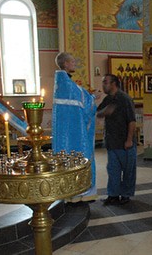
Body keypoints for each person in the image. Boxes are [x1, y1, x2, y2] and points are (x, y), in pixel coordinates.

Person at [52, 52, 98, 202]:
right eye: (72, 61)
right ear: (65, 64)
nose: (74, 64)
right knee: (78, 156)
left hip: (64, 130)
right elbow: (86, 102)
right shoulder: (68, 85)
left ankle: (68, 194)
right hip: (75, 132)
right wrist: (93, 97)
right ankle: (79, 192)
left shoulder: (61, 83)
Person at [97, 74, 137, 205]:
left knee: (128, 170)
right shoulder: (108, 99)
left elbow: (132, 121)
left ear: (113, 84)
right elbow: (98, 112)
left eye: (105, 82)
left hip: (124, 141)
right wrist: (105, 112)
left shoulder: (124, 99)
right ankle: (113, 194)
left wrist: (129, 140)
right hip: (111, 141)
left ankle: (126, 194)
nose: (103, 85)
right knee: (113, 170)